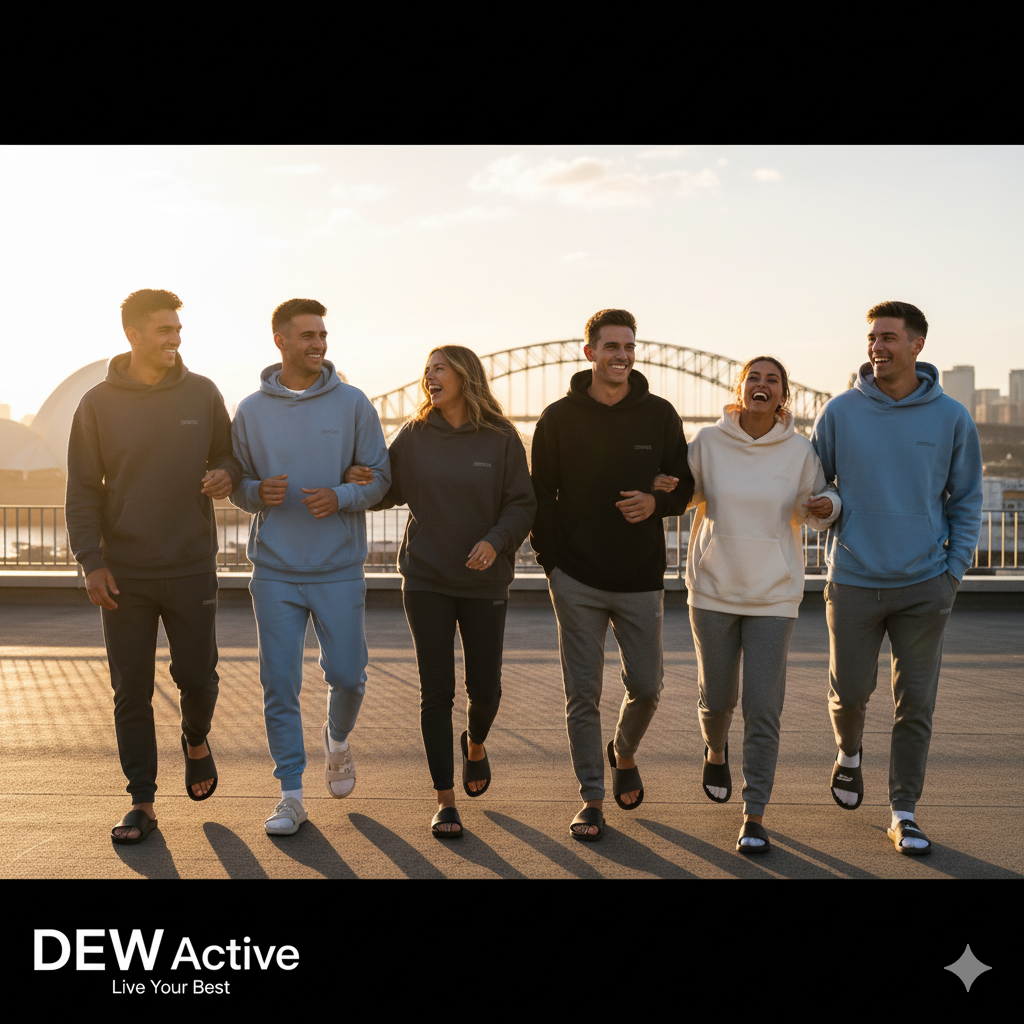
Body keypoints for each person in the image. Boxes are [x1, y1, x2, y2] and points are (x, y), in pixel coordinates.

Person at [66, 289, 241, 844]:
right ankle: (142, 800)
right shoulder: (96, 404)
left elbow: (228, 453)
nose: (175, 339)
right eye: (164, 330)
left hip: (191, 564)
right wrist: (91, 563)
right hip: (125, 573)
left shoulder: (203, 392)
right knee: (131, 689)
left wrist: (225, 474)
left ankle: (195, 739)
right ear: (133, 335)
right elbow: (82, 492)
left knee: (198, 676)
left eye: (178, 329)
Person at [811, 301, 982, 855]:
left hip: (925, 583)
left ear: (917, 345)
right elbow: (819, 486)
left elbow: (967, 499)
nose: (876, 346)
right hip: (855, 578)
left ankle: (904, 811)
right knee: (850, 693)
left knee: (916, 704)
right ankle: (849, 754)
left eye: (888, 337)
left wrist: (952, 572)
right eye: (872, 338)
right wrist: (829, 507)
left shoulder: (953, 416)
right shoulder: (838, 412)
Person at [346, 346, 536, 838]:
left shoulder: (500, 438)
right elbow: (388, 490)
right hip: (426, 578)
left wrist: (496, 543)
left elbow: (522, 504)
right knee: (436, 692)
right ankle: (445, 800)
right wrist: (361, 478)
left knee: (486, 690)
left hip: (484, 582)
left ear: (465, 377)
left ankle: (475, 744)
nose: (430, 377)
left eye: (439, 368)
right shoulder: (414, 434)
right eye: (427, 369)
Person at [656, 356, 839, 854]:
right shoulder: (709, 443)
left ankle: (754, 813)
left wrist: (828, 507)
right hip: (714, 589)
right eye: (753, 378)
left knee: (763, 708)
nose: (762, 386)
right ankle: (715, 750)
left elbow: (817, 505)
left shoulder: (800, 451)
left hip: (774, 594)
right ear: (739, 390)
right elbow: (687, 496)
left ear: (784, 395)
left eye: (772, 380)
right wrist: (668, 488)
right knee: (717, 700)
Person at [530, 308, 694, 840]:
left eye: (629, 346)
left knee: (646, 687)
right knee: (583, 693)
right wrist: (553, 563)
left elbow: (682, 486)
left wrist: (656, 502)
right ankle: (591, 798)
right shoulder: (557, 418)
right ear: (590, 353)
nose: (621, 355)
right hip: (575, 577)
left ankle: (622, 750)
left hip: (641, 575)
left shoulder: (661, 414)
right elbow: (540, 498)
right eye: (611, 347)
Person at [230, 298, 390, 836]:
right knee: (279, 682)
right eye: (307, 336)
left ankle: (337, 741)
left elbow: (381, 479)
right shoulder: (250, 410)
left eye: (322, 335)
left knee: (348, 674)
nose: (318, 345)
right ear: (280, 341)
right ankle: (291, 795)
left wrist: (342, 496)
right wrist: (256, 491)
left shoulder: (353, 403)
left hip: (338, 565)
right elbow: (238, 486)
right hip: (274, 569)